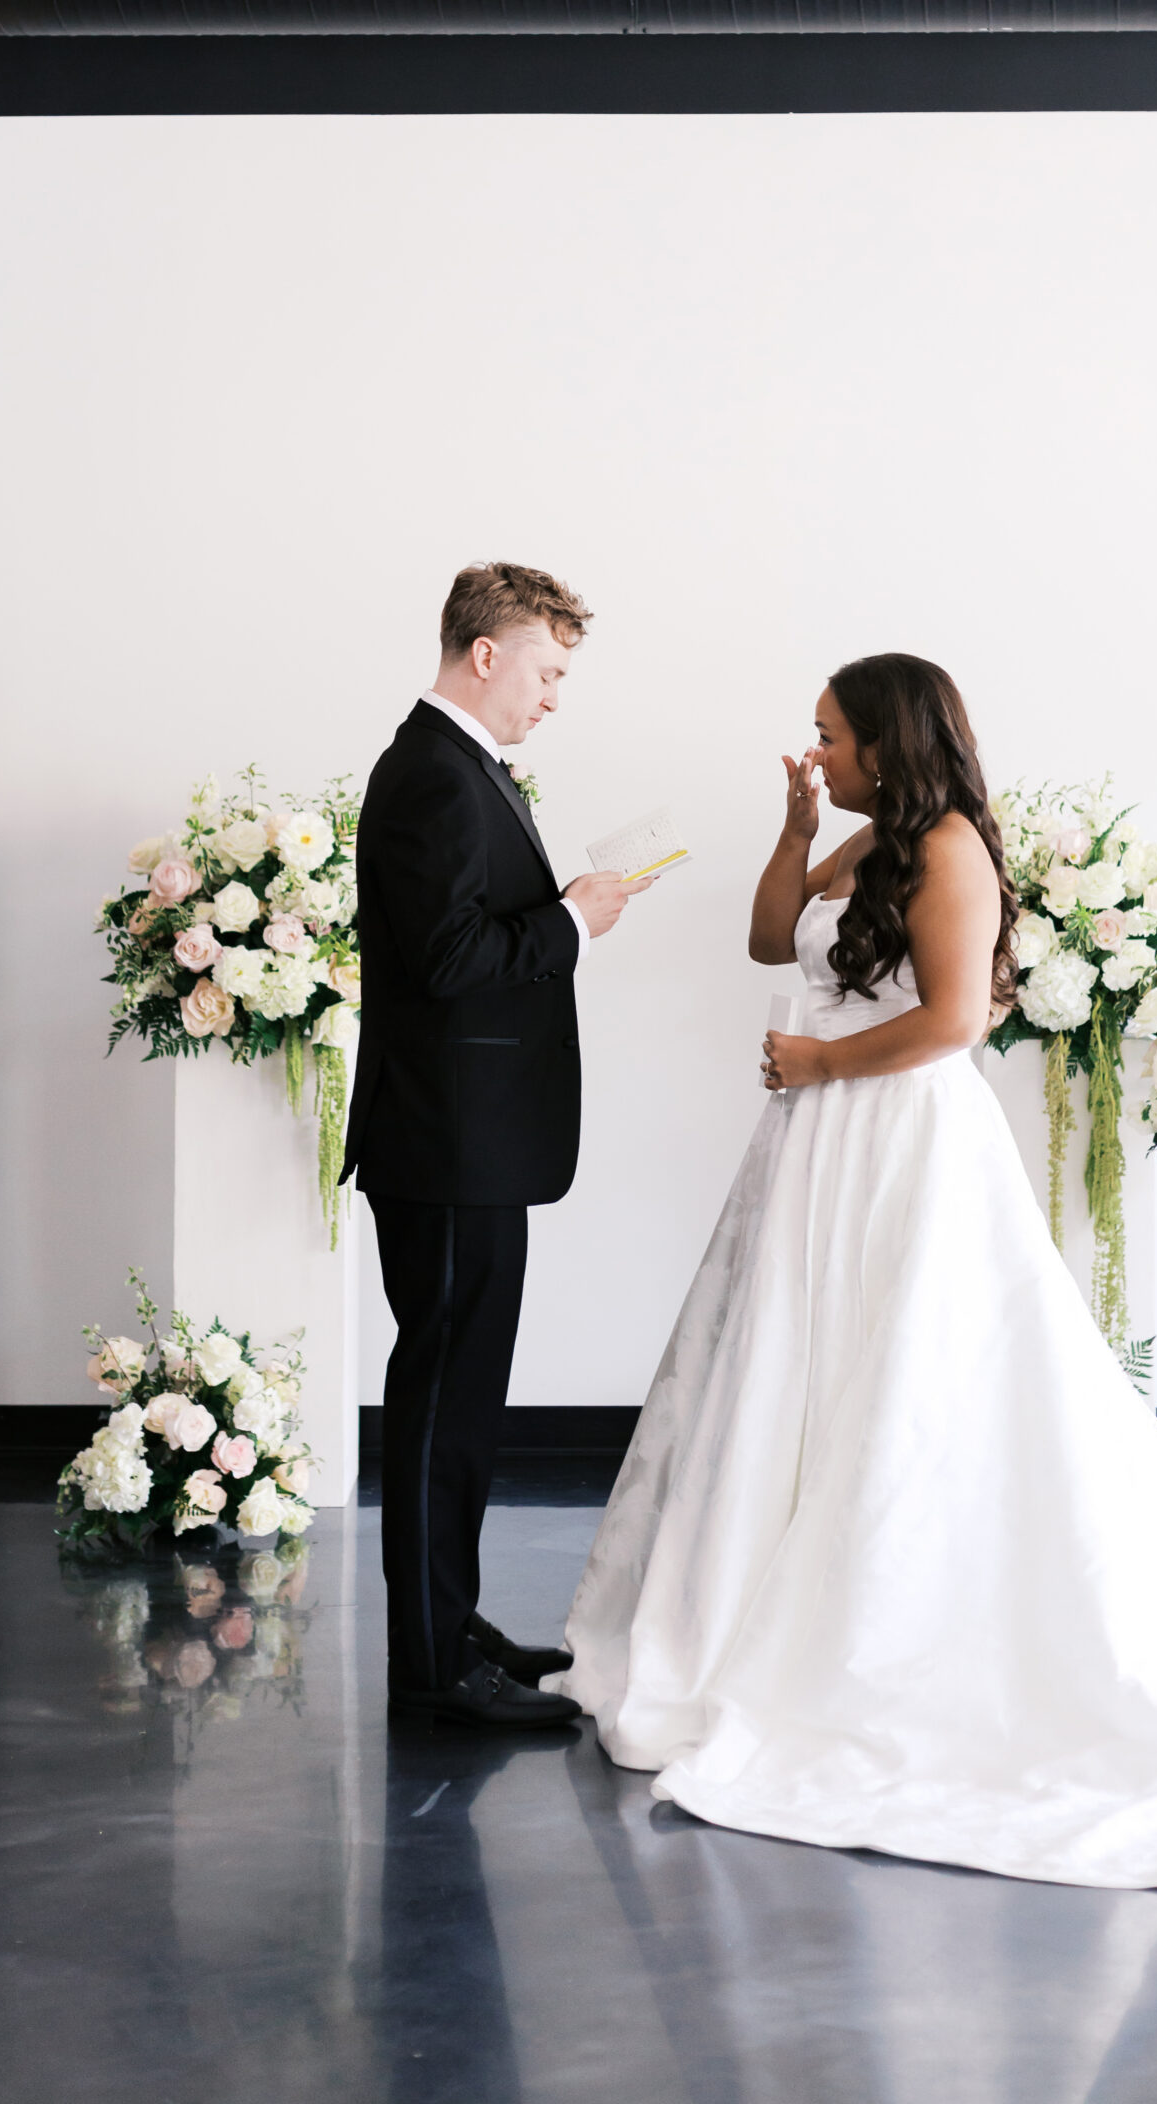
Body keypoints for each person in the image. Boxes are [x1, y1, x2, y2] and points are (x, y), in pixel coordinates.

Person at [553, 653, 1157, 1888]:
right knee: (793, 1359)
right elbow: (770, 939)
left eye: (830, 735)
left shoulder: (949, 848)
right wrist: (795, 828)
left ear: (888, 740)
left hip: (897, 1131)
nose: (816, 750)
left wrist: (817, 1065)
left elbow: (952, 1019)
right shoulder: (860, 842)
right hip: (816, 1144)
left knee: (909, 1368)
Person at [343, 561, 642, 1729]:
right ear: (485, 654)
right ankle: (430, 1669)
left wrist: (563, 908)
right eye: (547, 671)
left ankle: (449, 1623)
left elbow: (458, 934)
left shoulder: (458, 766)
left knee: (461, 1401)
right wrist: (572, 919)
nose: (553, 696)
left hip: (466, 1140)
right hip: (446, 1141)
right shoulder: (432, 771)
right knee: (440, 1404)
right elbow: (449, 960)